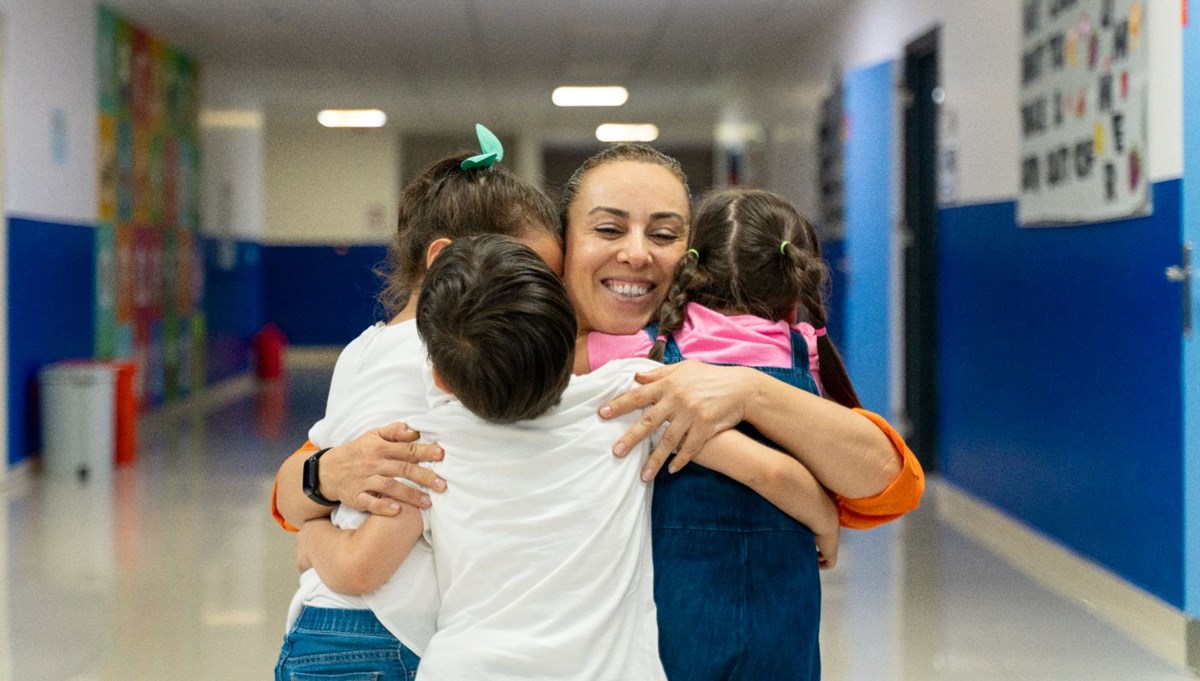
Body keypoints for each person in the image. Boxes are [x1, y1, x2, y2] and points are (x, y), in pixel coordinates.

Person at [273, 143, 924, 680]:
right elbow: (293, 492)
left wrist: (748, 392)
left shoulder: (686, 367)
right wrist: (323, 475)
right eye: (608, 228)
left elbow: (886, 485)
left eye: (665, 233)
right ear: (560, 250)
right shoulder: (497, 358)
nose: (637, 252)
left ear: (692, 258)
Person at [274, 135, 566, 681]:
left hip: (329, 626)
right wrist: (315, 538)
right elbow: (363, 560)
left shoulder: (364, 348)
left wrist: (310, 519)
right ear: (442, 261)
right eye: (525, 276)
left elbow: (307, 474)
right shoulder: (447, 366)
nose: (537, 301)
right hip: (378, 636)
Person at [584, 187, 867, 679]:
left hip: (675, 600)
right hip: (784, 602)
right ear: (795, 287)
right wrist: (824, 521)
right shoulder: (806, 353)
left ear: (689, 270)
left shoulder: (641, 352)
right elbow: (801, 467)